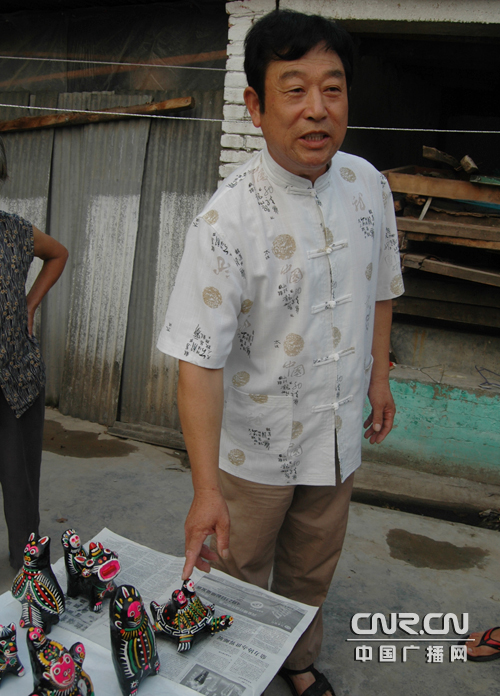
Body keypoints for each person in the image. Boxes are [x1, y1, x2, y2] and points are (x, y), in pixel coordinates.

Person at [157, 10, 404, 696]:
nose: (317, 109)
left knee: (311, 565)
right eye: (295, 90)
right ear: (256, 107)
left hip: (336, 433)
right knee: (235, 573)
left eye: (333, 88)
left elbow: (382, 286)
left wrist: (379, 378)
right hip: (255, 451)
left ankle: (296, 664)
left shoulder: (368, 186)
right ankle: (223, 673)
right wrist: (207, 490)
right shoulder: (226, 220)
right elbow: (198, 359)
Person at [0, 136, 68, 570]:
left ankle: (27, 565)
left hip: (16, 377)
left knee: (20, 479)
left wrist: (30, 303)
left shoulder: (15, 231)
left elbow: (58, 254)